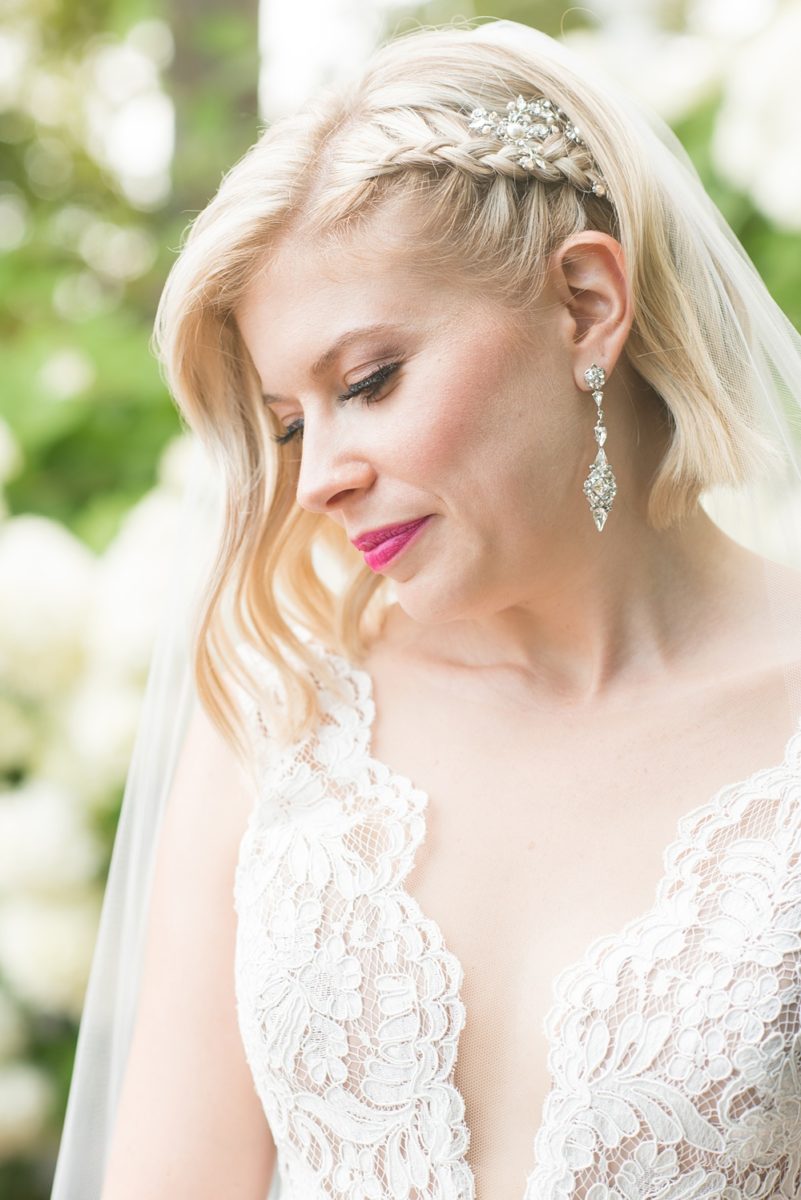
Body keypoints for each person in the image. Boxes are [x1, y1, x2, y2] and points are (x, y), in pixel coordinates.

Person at [50, 17, 801, 1200]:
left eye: (369, 382)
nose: (317, 477)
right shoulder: (287, 728)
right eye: (292, 423)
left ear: (587, 304)